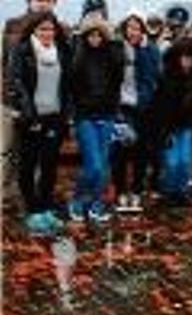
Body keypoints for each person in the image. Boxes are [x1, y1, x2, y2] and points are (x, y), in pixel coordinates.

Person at [6, 12, 71, 234]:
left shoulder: (62, 51)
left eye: (51, 29)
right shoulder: (22, 50)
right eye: (42, 29)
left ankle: (45, 207)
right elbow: (15, 83)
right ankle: (33, 210)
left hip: (54, 117)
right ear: (34, 30)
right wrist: (27, 113)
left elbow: (67, 86)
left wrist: (66, 114)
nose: (47, 33)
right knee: (28, 165)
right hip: (30, 118)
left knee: (49, 165)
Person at [69, 13, 124, 223]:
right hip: (85, 116)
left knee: (103, 162)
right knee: (95, 165)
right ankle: (78, 199)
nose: (95, 39)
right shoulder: (78, 54)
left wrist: (115, 43)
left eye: (99, 34)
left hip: (107, 114)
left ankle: (96, 203)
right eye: (91, 34)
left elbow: (118, 82)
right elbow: (71, 87)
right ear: (85, 35)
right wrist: (73, 115)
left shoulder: (112, 55)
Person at [111, 12, 160, 212]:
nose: (134, 32)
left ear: (143, 30)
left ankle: (137, 191)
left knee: (141, 151)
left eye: (137, 28)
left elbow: (153, 76)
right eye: (130, 28)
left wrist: (142, 50)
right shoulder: (116, 49)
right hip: (121, 106)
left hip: (144, 106)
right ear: (124, 29)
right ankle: (121, 191)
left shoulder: (150, 49)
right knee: (121, 150)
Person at [153, 39, 192, 205]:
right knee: (172, 162)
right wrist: (163, 130)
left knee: (185, 161)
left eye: (191, 58)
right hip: (170, 127)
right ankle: (169, 191)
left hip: (188, 126)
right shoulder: (166, 78)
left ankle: (181, 192)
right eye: (184, 58)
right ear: (177, 58)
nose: (188, 62)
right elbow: (160, 107)